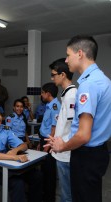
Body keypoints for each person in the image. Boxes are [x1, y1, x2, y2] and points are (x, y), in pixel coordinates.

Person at [46, 35, 111, 202]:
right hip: (99, 151)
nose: (66, 60)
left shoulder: (88, 85)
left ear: (80, 54)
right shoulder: (104, 80)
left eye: (68, 55)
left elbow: (83, 135)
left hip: (86, 155)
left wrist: (63, 146)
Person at [0, 105, 42, 202]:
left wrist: (14, 151)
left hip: (5, 162)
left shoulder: (5, 129)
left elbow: (24, 145)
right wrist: (13, 157)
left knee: (37, 175)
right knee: (17, 182)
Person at [48, 58, 77, 202]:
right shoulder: (66, 94)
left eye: (53, 74)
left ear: (63, 75)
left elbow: (74, 128)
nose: (52, 77)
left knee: (67, 194)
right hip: (61, 150)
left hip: (66, 154)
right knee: (65, 191)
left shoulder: (71, 96)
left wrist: (62, 144)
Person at [38, 82, 60, 202]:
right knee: (44, 170)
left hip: (49, 142)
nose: (41, 95)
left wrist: (46, 145)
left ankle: (49, 197)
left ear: (48, 93)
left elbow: (54, 129)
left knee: (49, 171)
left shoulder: (55, 106)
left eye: (42, 92)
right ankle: (44, 194)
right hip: (44, 140)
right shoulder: (49, 105)